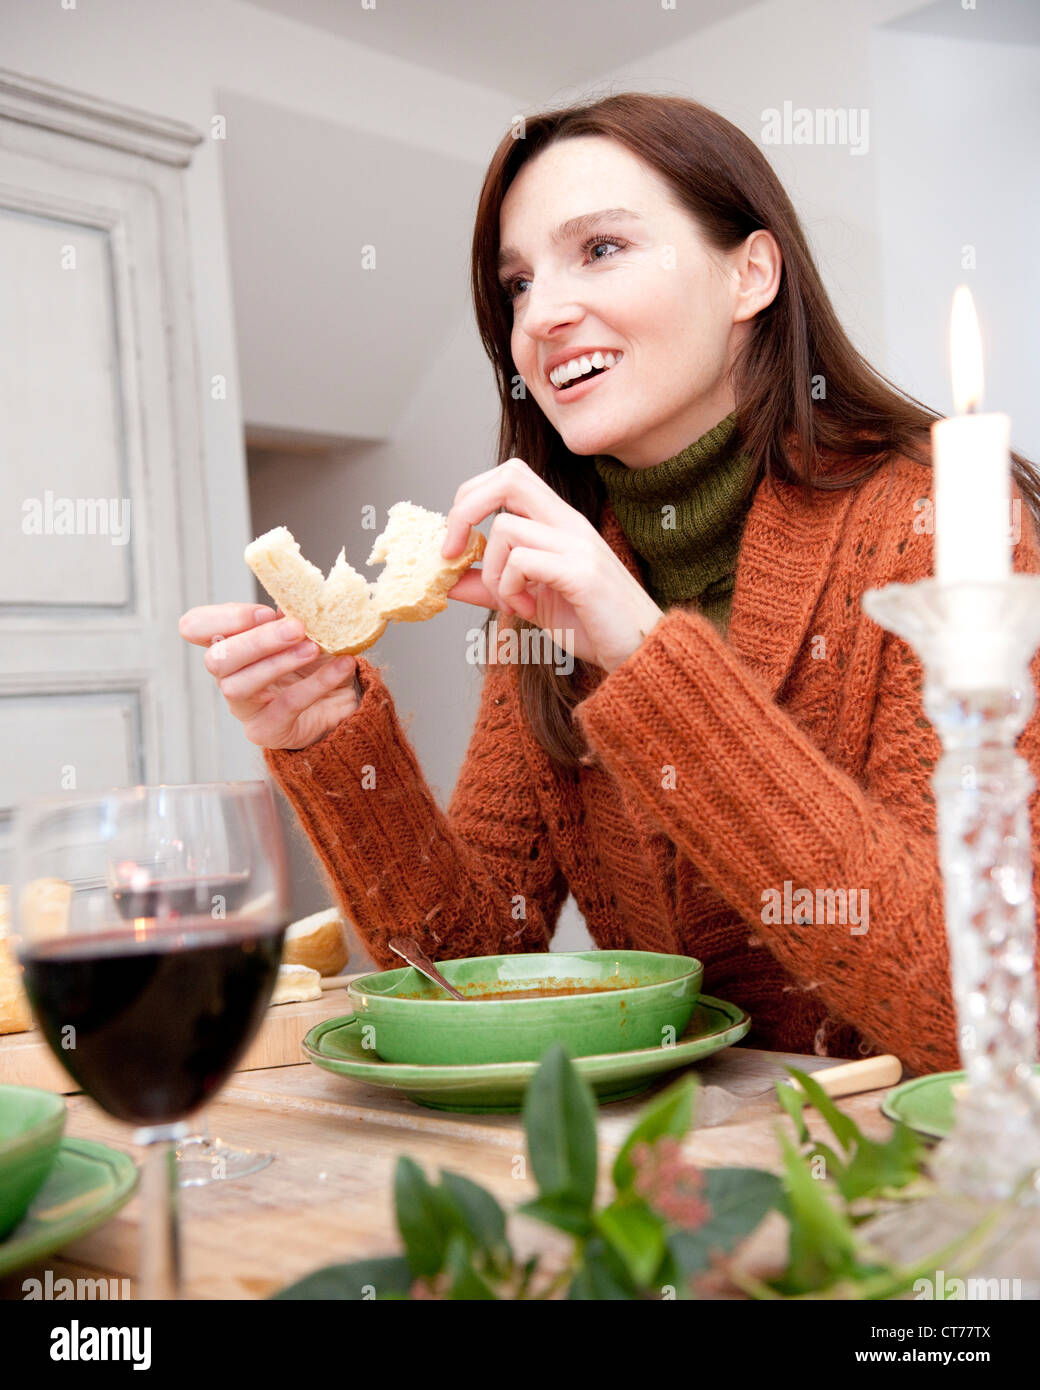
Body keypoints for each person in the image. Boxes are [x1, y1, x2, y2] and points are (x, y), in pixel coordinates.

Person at [179, 93, 1040, 1076]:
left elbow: (981, 1014)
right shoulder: (557, 576)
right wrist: (329, 736)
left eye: (598, 250)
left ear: (749, 273)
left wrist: (645, 659)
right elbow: (471, 972)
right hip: (674, 1177)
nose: (540, 315)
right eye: (514, 284)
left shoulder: (932, 527)